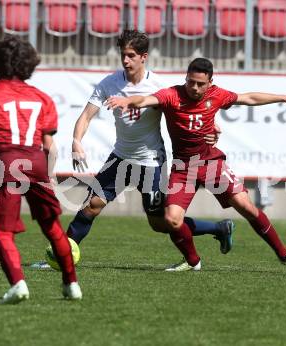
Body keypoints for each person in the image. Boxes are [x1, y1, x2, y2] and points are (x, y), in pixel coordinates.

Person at [106, 57, 286, 275]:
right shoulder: (172, 95)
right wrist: (128, 101)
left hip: (211, 163)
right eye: (190, 82)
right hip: (183, 168)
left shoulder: (217, 95)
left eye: (200, 84)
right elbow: (145, 100)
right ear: (186, 78)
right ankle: (193, 261)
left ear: (210, 82)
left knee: (247, 207)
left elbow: (249, 97)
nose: (194, 87)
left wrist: (284, 98)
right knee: (171, 220)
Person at [68, 30, 235, 268]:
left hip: (151, 162)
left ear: (143, 57)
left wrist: (211, 126)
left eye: (131, 55)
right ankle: (62, 254)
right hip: (120, 158)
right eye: (123, 55)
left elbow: (188, 110)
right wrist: (76, 141)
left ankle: (218, 227)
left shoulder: (159, 86)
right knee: (92, 206)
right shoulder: (109, 83)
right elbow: (86, 116)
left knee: (159, 223)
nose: (125, 60)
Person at [0, 35, 82, 303]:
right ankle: (71, 284)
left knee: (3, 231)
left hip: (6, 162)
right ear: (28, 64)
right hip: (36, 161)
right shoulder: (42, 97)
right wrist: (50, 175)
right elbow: (50, 146)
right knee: (52, 226)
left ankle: (18, 284)